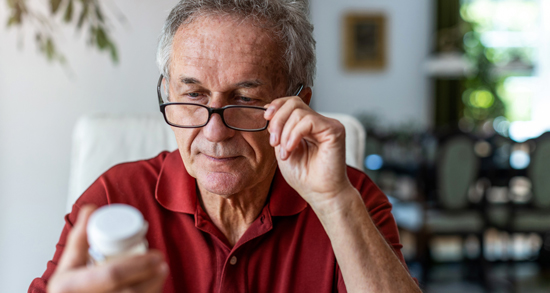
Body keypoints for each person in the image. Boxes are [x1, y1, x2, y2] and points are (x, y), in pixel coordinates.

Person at [29, 0, 420, 292]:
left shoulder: (352, 201)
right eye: (193, 95)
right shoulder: (114, 198)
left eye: (246, 100)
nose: (214, 133)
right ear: (167, 94)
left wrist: (336, 203)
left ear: (298, 104)